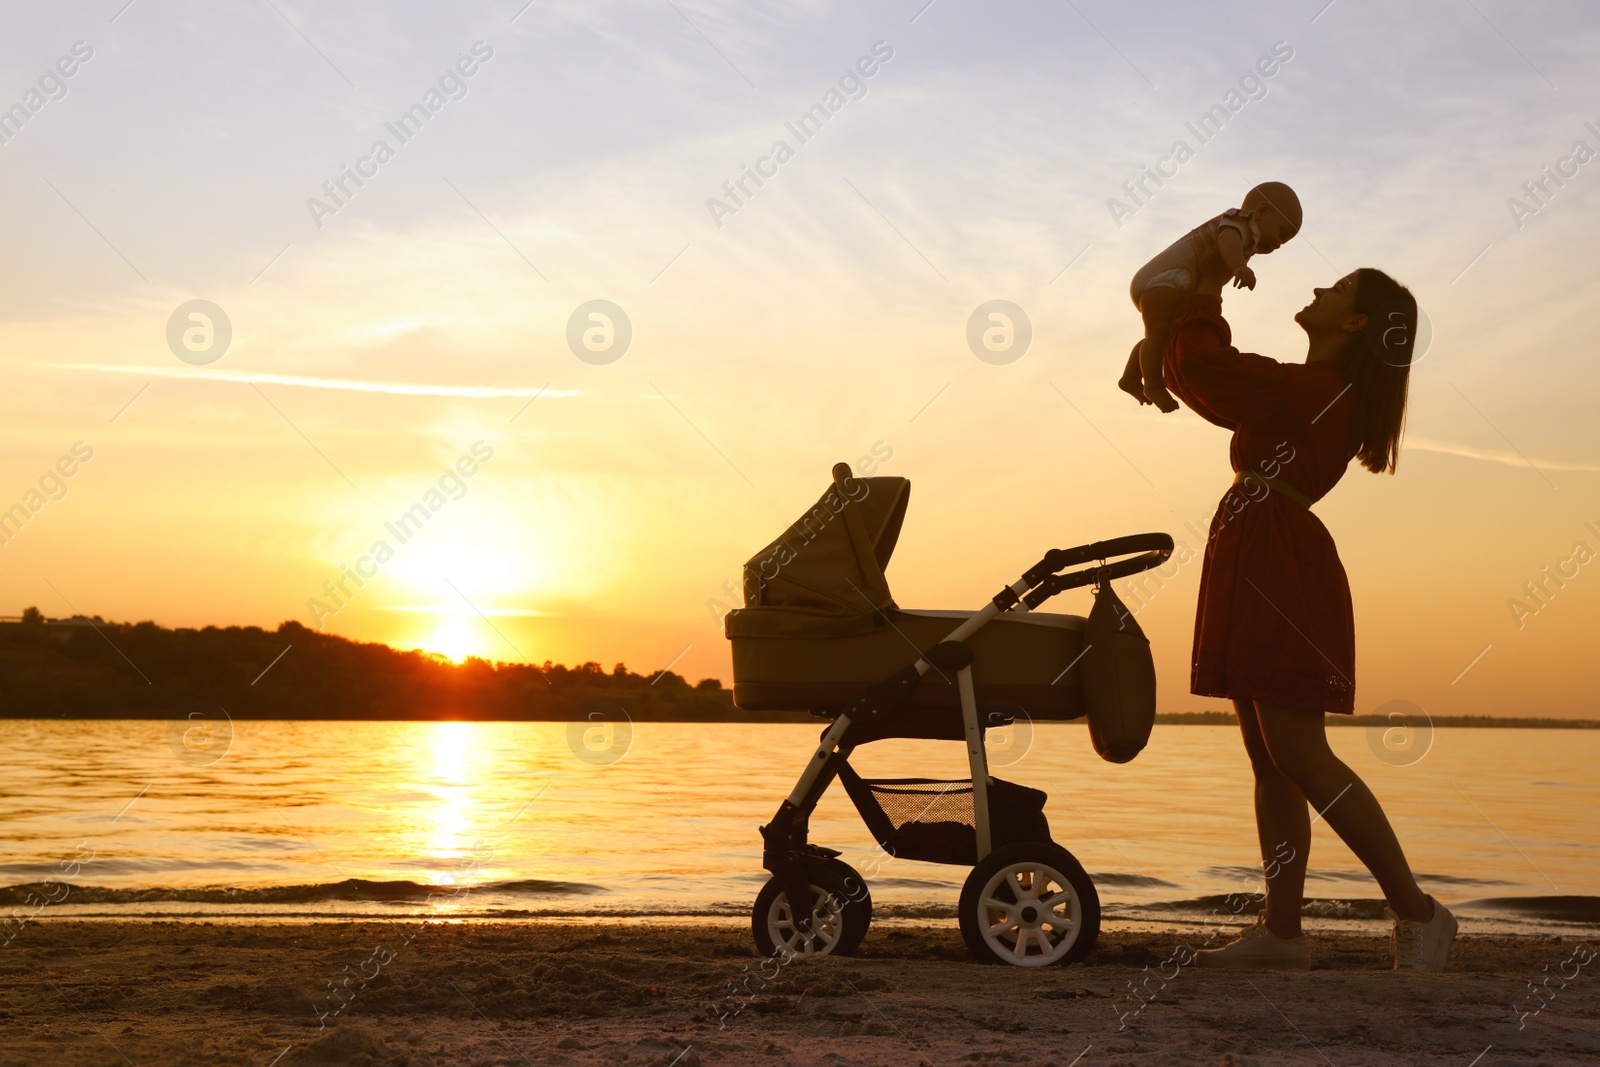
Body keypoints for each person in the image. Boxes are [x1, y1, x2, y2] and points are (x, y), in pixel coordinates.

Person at [1156, 261, 1456, 972]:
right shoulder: (1312, 385)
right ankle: (1284, 932)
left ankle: (1419, 909)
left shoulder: (1316, 389)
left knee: (1298, 754)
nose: (1321, 288)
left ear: (1354, 323)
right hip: (1259, 549)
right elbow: (1195, 374)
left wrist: (1203, 288)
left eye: (1340, 289)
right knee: (1272, 760)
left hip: (1279, 561)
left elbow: (1207, 370)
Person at [1120, 182, 1302, 413]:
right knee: (1158, 334)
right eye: (1281, 233)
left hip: (1178, 285)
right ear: (1263, 211)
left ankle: (1131, 377)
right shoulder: (1238, 222)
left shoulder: (1246, 234)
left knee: (1163, 335)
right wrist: (1238, 266)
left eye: (1284, 242)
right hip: (1164, 279)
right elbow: (1227, 240)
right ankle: (1154, 385)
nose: (1277, 244)